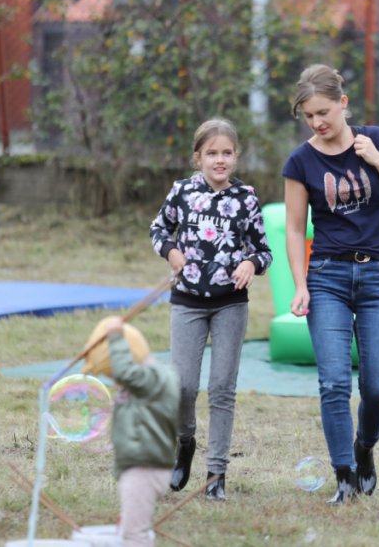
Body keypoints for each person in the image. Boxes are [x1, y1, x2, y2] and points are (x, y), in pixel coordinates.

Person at [282, 64, 379, 504]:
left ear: (343, 103)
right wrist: (301, 284)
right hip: (327, 278)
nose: (318, 122)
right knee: (334, 383)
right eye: (309, 116)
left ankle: (364, 448)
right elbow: (292, 228)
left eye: (324, 111)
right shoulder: (300, 161)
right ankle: (343, 473)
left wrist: (377, 161)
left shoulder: (377, 140)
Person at [150, 118, 272, 501]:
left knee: (221, 388)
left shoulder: (246, 199)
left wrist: (252, 264)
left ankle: (215, 474)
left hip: (230, 304)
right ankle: (185, 443)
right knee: (183, 386)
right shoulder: (182, 193)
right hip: (187, 302)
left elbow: (263, 250)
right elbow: (158, 230)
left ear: (236, 157)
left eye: (226, 153)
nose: (219, 160)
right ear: (197, 157)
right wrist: (172, 252)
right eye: (212, 153)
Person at [83, 316, 179, 547]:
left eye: (112, 375)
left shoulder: (154, 378)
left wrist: (115, 337)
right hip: (143, 464)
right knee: (132, 527)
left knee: (134, 536)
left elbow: (126, 372)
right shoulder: (146, 384)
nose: (117, 380)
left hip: (144, 467)